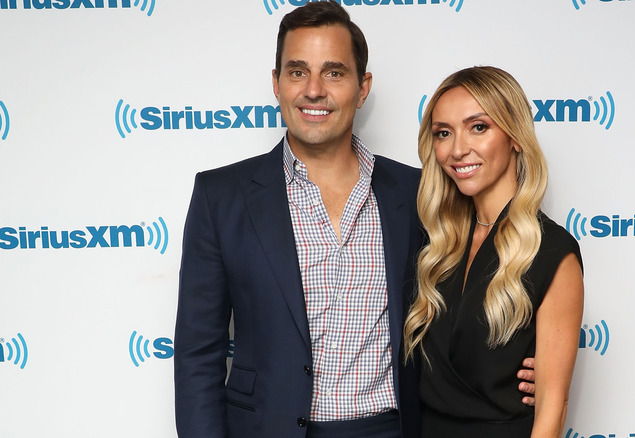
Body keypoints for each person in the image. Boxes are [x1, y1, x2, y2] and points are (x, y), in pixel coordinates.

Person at [174, 2, 535, 437]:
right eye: (297, 72)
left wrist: (528, 361)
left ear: (362, 88)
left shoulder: (418, 192)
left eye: (334, 73)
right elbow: (198, 352)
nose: (313, 90)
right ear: (276, 83)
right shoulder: (221, 196)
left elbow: (487, 273)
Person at [403, 66, 584, 438]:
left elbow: (551, 413)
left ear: (515, 136)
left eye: (478, 127)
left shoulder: (553, 252)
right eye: (443, 133)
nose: (457, 149)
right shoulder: (436, 244)